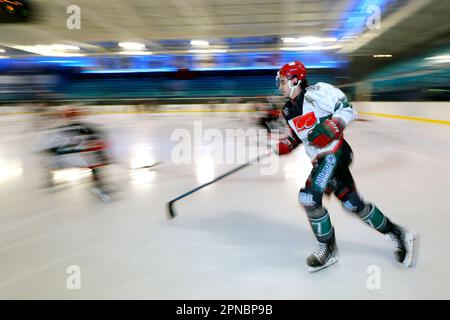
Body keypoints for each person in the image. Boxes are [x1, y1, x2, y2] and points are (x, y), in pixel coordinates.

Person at [274, 61, 418, 272]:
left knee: (309, 197)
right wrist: (287, 144)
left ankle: (327, 247)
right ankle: (397, 233)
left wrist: (336, 123)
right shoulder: (288, 110)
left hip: (335, 153)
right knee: (353, 204)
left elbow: (347, 109)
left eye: (283, 81)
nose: (280, 86)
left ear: (296, 80)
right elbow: (299, 136)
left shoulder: (319, 91)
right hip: (321, 161)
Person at [37, 107, 113, 202]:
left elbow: (97, 138)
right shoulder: (69, 128)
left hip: (81, 154)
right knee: (52, 164)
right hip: (75, 154)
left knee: (93, 167)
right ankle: (98, 186)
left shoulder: (81, 127)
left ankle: (98, 187)